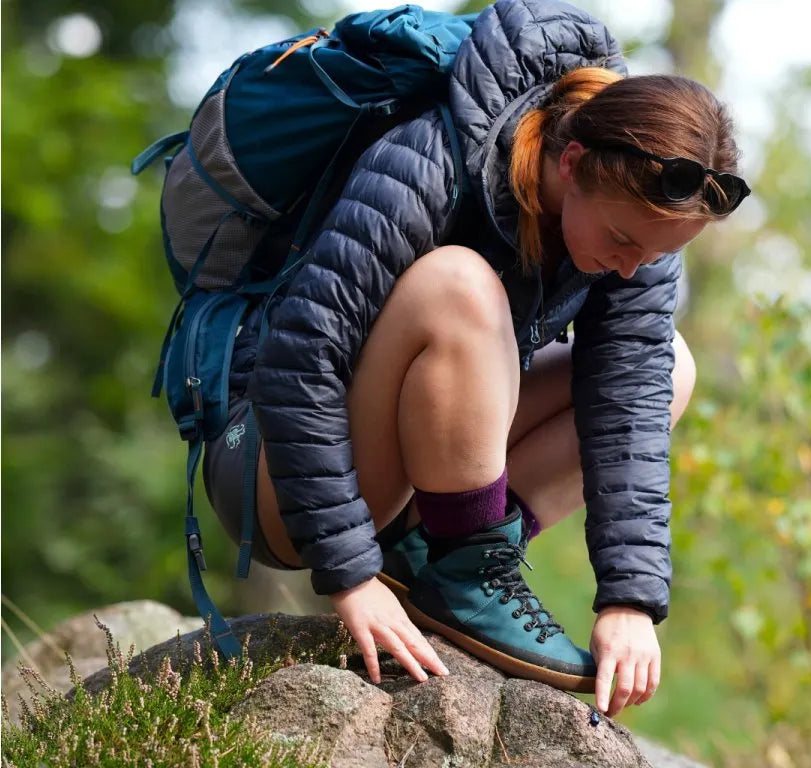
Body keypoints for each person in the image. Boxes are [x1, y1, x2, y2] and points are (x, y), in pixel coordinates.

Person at [203, 0, 747, 718]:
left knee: (666, 368)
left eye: (654, 254)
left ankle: (453, 563)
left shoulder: (637, 242)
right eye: (623, 240)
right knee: (459, 284)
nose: (629, 268)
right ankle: (461, 573)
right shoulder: (429, 161)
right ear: (572, 161)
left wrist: (629, 599)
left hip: (410, 487)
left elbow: (631, 415)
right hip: (276, 473)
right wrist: (350, 574)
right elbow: (301, 362)